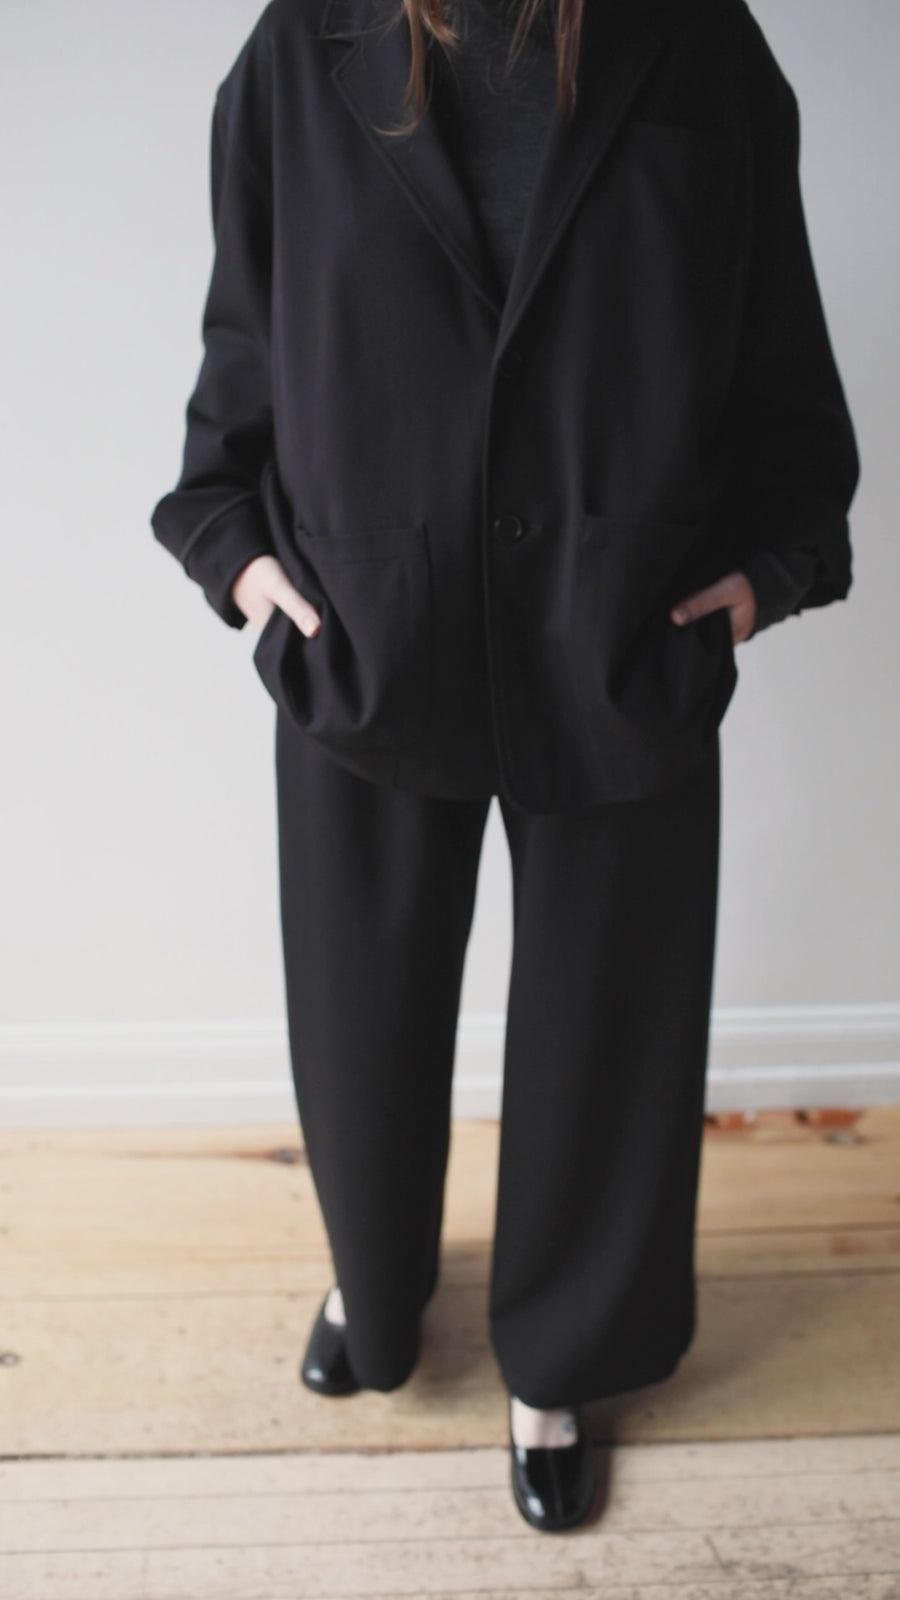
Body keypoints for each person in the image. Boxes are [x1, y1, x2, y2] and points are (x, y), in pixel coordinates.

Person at [150, 0, 859, 1532]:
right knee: (359, 1018)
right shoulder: (306, 44)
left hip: (620, 629)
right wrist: (235, 553)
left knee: (611, 1032)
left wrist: (770, 568)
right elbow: (248, 336)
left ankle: (562, 1359)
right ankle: (377, 1283)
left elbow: (775, 346)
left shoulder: (698, 42)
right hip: (366, 625)